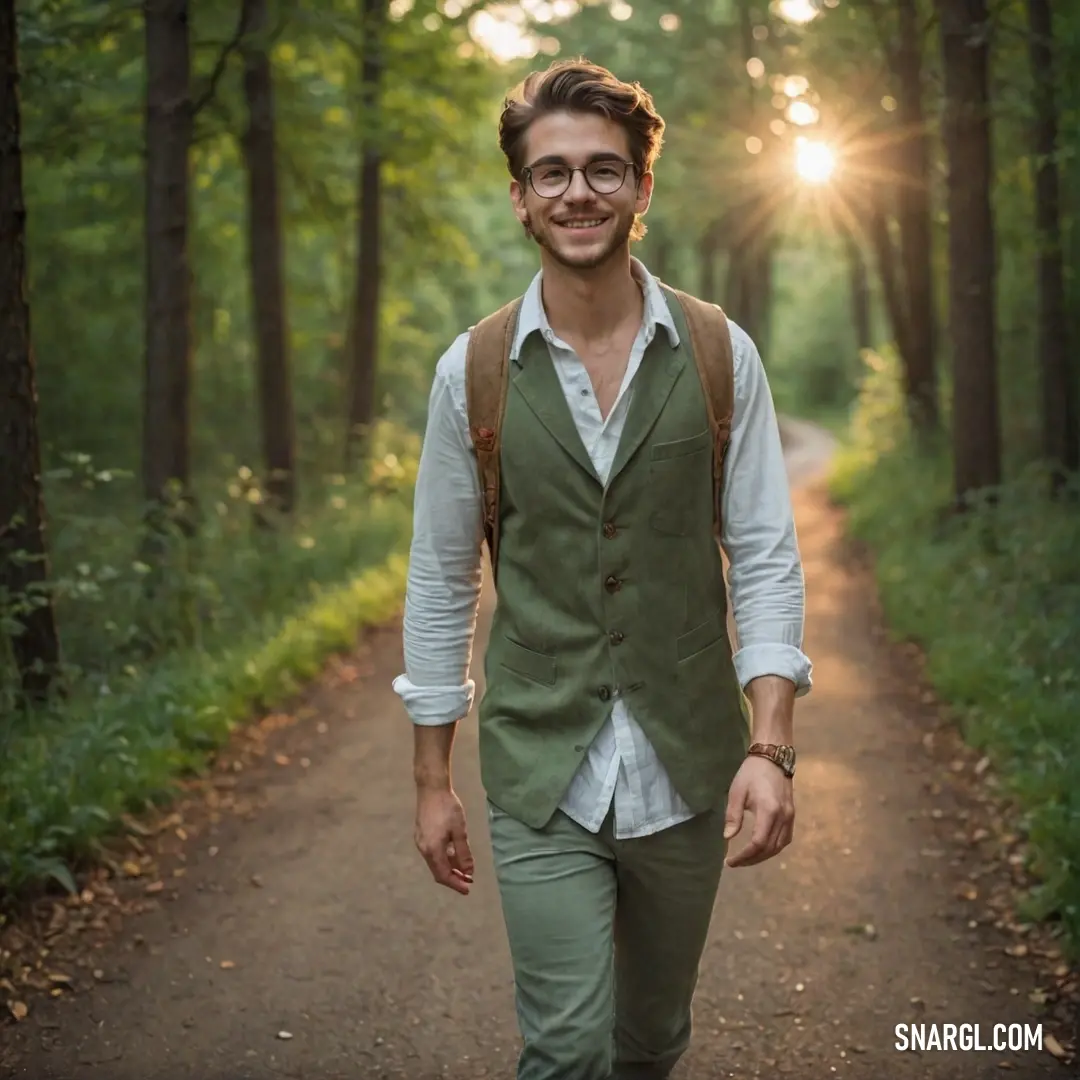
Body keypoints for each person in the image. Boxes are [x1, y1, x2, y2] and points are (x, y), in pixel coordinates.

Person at [392, 58, 812, 1080]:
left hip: (688, 764)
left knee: (650, 1042)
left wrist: (772, 747)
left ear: (642, 188)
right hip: (543, 771)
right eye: (552, 173)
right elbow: (444, 580)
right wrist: (431, 782)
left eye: (604, 170)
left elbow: (761, 553)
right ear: (522, 199)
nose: (578, 191)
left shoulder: (719, 353)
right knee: (568, 1048)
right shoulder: (475, 370)